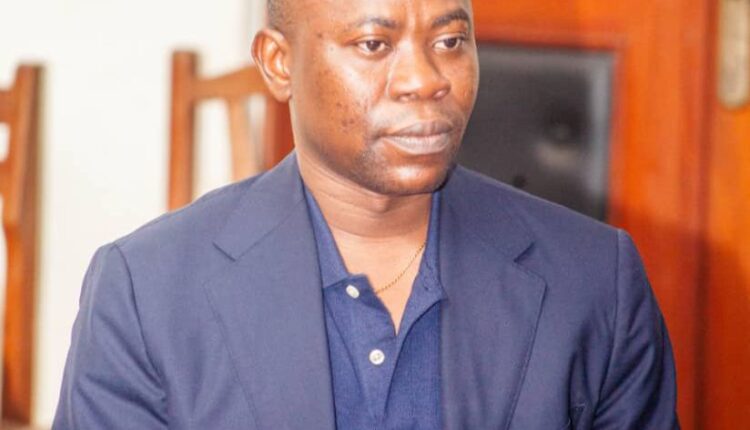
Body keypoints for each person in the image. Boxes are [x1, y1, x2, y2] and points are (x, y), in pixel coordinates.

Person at [53, 0, 679, 429]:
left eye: (450, 41)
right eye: (374, 44)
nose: (424, 80)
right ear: (278, 62)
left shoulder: (594, 281)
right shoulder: (146, 293)